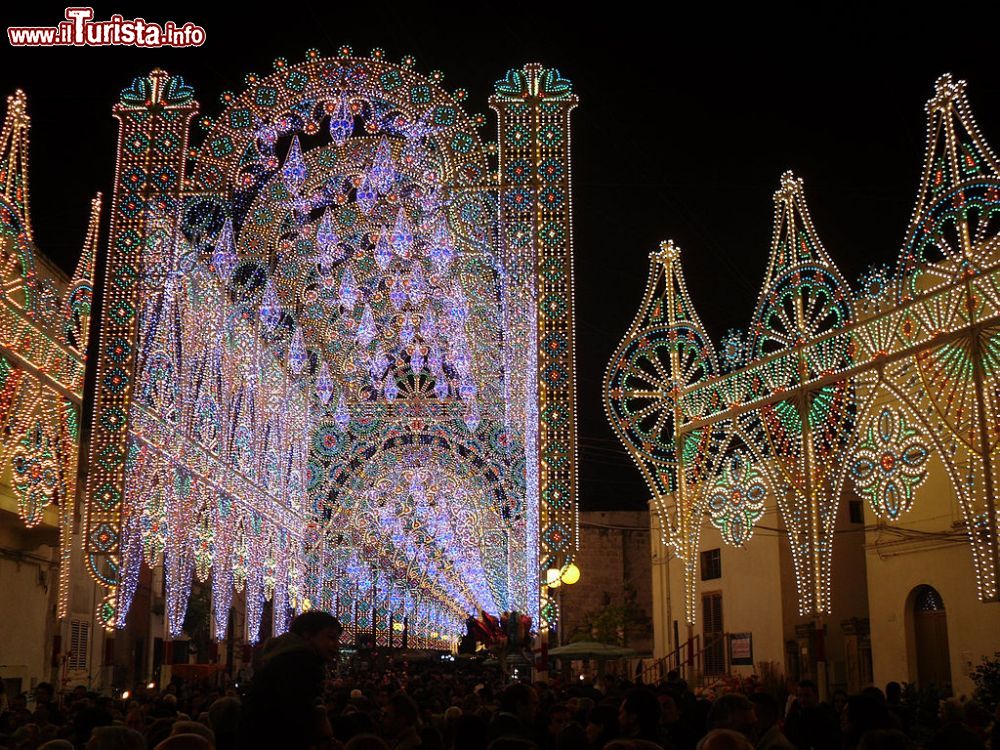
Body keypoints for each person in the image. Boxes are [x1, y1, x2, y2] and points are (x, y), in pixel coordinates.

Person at [238, 609, 342, 750]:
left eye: (337, 639)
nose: (336, 645)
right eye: (331, 638)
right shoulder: (301, 665)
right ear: (308, 636)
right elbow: (296, 722)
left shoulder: (283, 660)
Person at [782, 680, 839, 750]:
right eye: (799, 695)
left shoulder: (826, 717)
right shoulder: (796, 714)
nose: (802, 699)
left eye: (807, 695)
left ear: (816, 696)